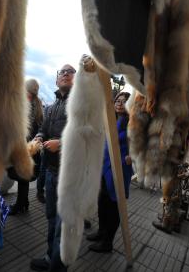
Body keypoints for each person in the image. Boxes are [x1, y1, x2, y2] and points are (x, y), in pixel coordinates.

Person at [30, 64, 76, 272]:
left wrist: (62, 144)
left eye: (70, 71)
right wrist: (39, 138)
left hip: (71, 175)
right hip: (50, 171)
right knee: (51, 218)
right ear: (57, 80)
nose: (66, 73)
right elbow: (43, 129)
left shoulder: (82, 103)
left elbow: (89, 135)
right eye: (62, 72)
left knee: (63, 226)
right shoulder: (53, 105)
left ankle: (58, 267)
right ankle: (51, 257)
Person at [87, 92, 133, 253]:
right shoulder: (111, 119)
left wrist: (132, 156)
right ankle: (101, 232)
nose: (120, 103)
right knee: (102, 202)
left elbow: (142, 144)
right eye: (117, 100)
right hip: (104, 166)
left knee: (114, 206)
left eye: (124, 101)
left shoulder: (133, 123)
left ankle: (108, 242)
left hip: (119, 169)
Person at [9, 79, 43, 215]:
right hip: (31, 151)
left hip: (26, 150)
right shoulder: (37, 107)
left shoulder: (27, 108)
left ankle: (20, 204)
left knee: (21, 177)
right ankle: (23, 203)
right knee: (24, 178)